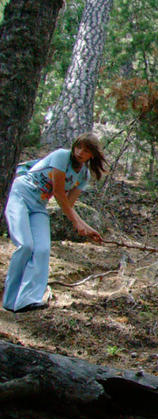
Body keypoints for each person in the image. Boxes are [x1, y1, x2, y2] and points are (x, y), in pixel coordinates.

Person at [4, 133, 107, 313]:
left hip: (39, 205)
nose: (80, 152)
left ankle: (27, 300)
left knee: (43, 249)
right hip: (20, 193)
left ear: (92, 155)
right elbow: (59, 194)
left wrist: (86, 228)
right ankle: (9, 299)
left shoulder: (83, 176)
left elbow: (69, 204)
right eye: (79, 146)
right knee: (25, 245)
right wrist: (78, 223)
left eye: (86, 150)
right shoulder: (61, 156)